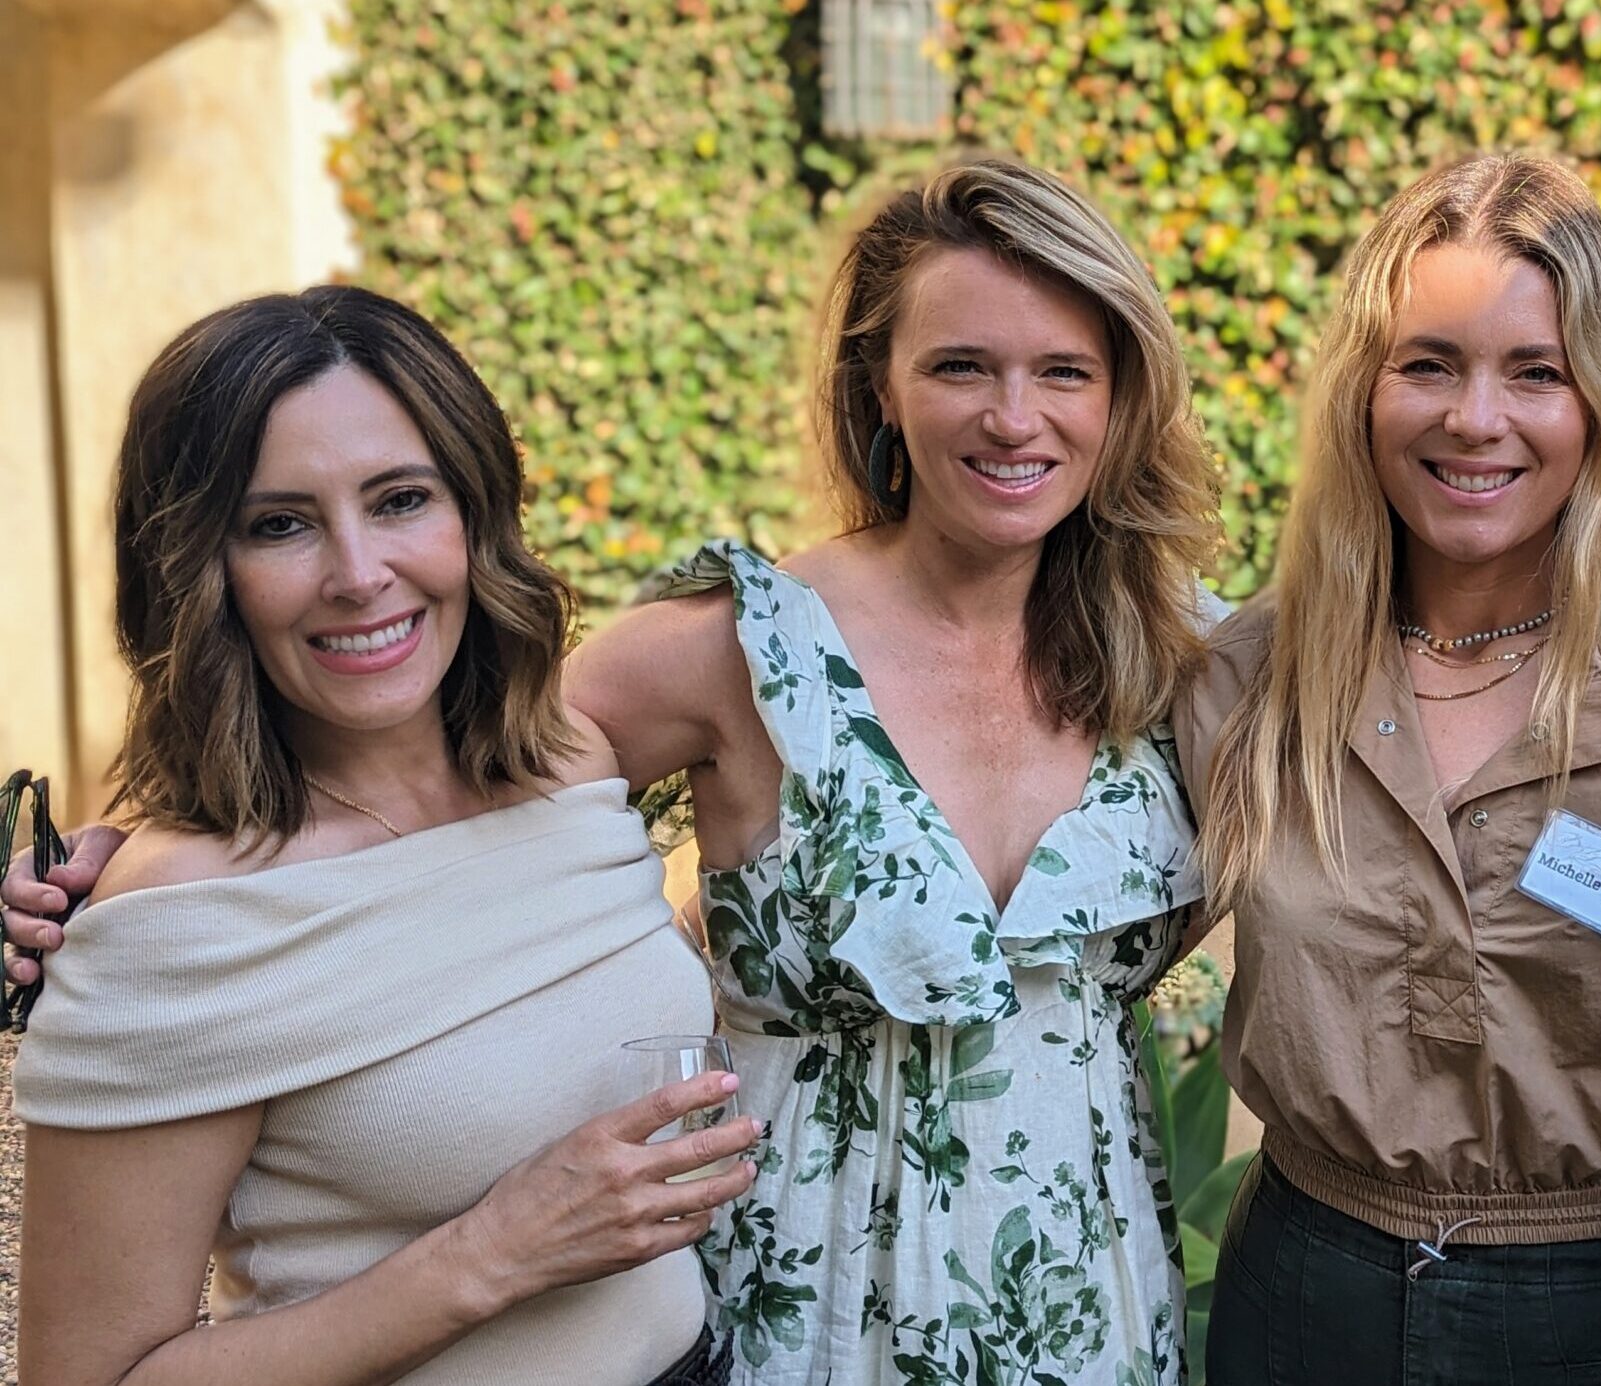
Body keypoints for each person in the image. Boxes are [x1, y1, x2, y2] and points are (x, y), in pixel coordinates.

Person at [9, 159, 1219, 1385]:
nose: (1014, 416)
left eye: (1066, 369)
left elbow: (446, 783)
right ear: (881, 390)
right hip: (794, 1319)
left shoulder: (1192, 663)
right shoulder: (727, 658)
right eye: (960, 365)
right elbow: (315, 799)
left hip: (1086, 1307)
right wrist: (103, 878)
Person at [1177, 152, 1601, 1382]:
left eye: (1534, 371)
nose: (1473, 419)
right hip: (1299, 1298)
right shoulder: (1247, 680)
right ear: (1361, 395)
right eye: (1427, 363)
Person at [10, 287, 759, 1386]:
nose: (359, 574)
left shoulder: (573, 770)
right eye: (280, 524)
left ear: (474, 513)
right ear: (197, 572)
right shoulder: (168, 927)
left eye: (401, 499)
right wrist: (491, 1255)